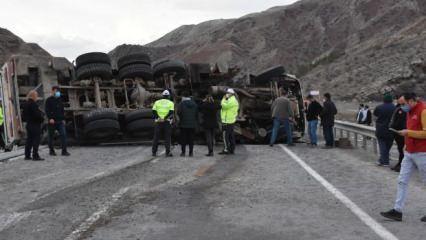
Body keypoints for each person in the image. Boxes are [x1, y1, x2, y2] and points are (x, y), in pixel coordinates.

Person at [381, 92, 426, 222]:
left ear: (411, 101)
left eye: (403, 104)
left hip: (422, 152)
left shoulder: (423, 111)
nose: (402, 107)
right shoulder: (409, 111)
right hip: (410, 152)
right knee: (402, 180)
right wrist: (406, 144)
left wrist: (408, 133)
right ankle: (397, 210)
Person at [45, 86, 70, 156]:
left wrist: (63, 119)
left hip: (60, 121)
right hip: (52, 121)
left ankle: (64, 151)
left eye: (58, 92)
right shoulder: (48, 100)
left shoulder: (60, 100)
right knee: (51, 136)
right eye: (56, 91)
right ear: (52, 91)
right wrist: (50, 118)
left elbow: (62, 110)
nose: (57, 93)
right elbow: (47, 110)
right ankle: (51, 151)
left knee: (63, 135)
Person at [373, 93, 396, 166]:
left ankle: (385, 161)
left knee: (382, 145)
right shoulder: (395, 108)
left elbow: (375, 118)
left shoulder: (379, 107)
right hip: (392, 129)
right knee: (388, 145)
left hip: (381, 129)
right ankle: (382, 160)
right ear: (391, 100)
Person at [22, 91, 45, 161]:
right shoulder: (33, 104)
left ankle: (27, 155)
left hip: (28, 124)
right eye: (36, 96)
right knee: (36, 140)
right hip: (35, 124)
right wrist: (42, 119)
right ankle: (35, 155)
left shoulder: (25, 104)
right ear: (34, 96)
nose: (37, 97)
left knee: (29, 140)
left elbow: (23, 116)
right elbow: (36, 115)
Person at [152, 90, 174, 157]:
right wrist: (164, 118)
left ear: (162, 95)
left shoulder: (157, 102)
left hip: (158, 122)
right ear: (168, 96)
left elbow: (154, 111)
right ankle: (167, 152)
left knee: (156, 137)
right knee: (167, 137)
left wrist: (159, 118)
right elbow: (171, 112)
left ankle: (154, 152)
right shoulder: (171, 103)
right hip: (167, 122)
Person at [177, 91, 198, 157]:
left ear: (183, 96)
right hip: (192, 124)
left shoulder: (181, 104)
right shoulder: (194, 104)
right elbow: (196, 114)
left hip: (183, 124)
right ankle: (191, 153)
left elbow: (178, 112)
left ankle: (183, 153)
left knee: (183, 139)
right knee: (191, 139)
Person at [219, 88, 239, 155]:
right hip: (231, 120)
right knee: (231, 136)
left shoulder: (231, 100)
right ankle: (232, 149)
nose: (226, 94)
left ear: (231, 94)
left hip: (227, 121)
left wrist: (223, 99)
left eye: (227, 93)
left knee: (225, 136)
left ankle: (226, 149)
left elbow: (224, 106)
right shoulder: (234, 100)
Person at [389, 95, 407, 172]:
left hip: (400, 132)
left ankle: (401, 165)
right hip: (398, 132)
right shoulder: (399, 108)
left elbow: (399, 122)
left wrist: (392, 127)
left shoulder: (401, 110)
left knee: (401, 149)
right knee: (401, 149)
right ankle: (400, 164)